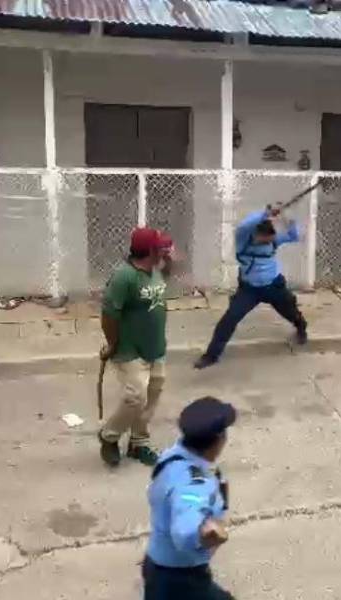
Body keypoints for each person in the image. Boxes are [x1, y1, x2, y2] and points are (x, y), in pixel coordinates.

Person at [143, 396, 237, 600]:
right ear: (219, 439)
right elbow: (184, 532)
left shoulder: (174, 455)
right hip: (180, 577)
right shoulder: (193, 484)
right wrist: (209, 534)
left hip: (158, 563)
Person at [194, 205, 307, 370]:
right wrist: (265, 213)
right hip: (249, 290)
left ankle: (301, 327)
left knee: (291, 310)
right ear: (255, 234)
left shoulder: (273, 240)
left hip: (274, 286)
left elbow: (293, 235)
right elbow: (244, 225)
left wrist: (286, 217)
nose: (269, 242)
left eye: (271, 239)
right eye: (265, 239)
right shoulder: (243, 239)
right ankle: (211, 356)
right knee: (229, 319)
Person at [98, 227, 174, 467]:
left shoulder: (155, 270)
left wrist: (169, 261)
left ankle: (138, 443)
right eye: (161, 247)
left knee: (152, 394)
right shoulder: (124, 277)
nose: (165, 249)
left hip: (156, 347)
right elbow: (109, 315)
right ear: (150, 250)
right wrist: (113, 344)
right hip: (130, 350)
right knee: (135, 397)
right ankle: (109, 437)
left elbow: (166, 277)